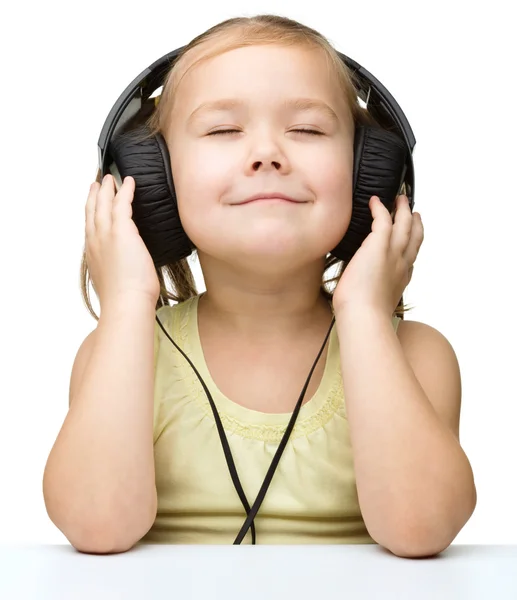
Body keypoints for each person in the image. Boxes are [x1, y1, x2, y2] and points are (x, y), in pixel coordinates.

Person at [42, 14, 477, 556]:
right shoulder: (123, 351)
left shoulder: (418, 356)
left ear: (372, 174)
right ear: (155, 178)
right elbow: (95, 528)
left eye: (308, 130)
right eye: (224, 130)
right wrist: (127, 302)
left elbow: (421, 531)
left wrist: (364, 313)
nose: (267, 153)